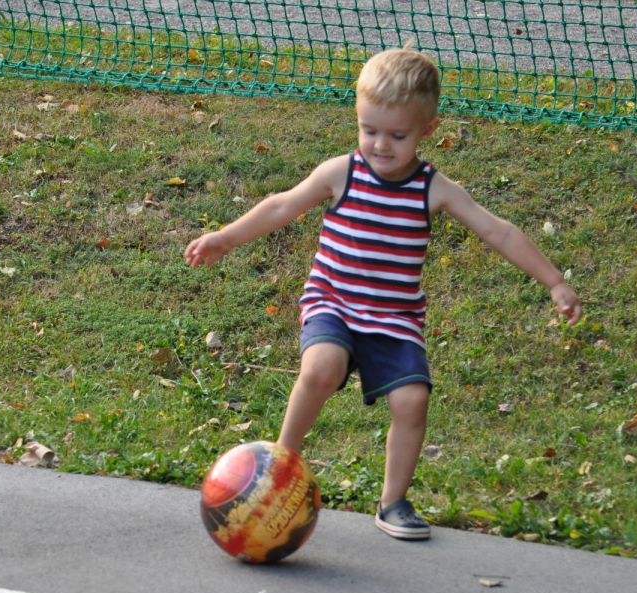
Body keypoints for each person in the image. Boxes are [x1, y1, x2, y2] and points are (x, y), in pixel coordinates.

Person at [185, 48, 581, 541]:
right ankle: (279, 465)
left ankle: (393, 502)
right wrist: (225, 238)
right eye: (369, 130)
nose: (380, 145)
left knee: (413, 400)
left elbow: (498, 231)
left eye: (397, 135)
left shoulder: (432, 188)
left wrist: (554, 281)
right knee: (322, 367)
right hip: (334, 300)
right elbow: (280, 206)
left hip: (394, 317)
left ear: (427, 131)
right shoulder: (341, 173)